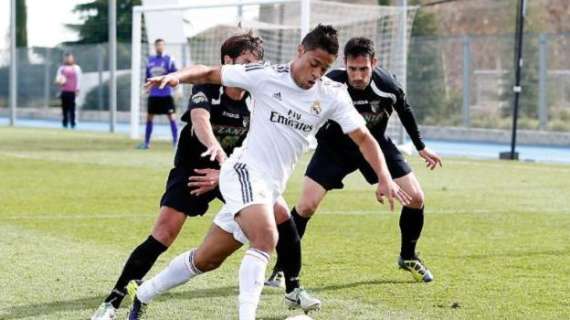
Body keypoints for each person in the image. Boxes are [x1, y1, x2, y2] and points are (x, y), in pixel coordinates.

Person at [127, 25, 410, 320]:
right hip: (243, 172)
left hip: (269, 187)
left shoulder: (332, 95)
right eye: (314, 63)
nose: (317, 73)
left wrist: (385, 177)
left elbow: (365, 138)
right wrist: (176, 77)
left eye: (324, 68)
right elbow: (210, 72)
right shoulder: (265, 74)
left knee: (206, 259)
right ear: (300, 51)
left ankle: (143, 294)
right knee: (265, 238)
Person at [90, 33, 268, 320]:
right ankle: (112, 302)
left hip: (229, 173)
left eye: (255, 65)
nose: (249, 70)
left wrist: (224, 171)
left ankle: (291, 284)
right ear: (228, 62)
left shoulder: (257, 98)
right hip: (191, 171)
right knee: (163, 233)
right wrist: (216, 150)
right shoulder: (209, 87)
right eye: (245, 63)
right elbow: (200, 121)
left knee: (276, 217)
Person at [265, 37, 442, 290]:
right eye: (352, 69)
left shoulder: (387, 85)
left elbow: (404, 109)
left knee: (416, 198)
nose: (357, 76)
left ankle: (408, 256)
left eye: (364, 69)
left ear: (374, 64)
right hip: (334, 149)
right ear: (344, 65)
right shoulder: (329, 83)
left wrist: (421, 146)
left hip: (375, 146)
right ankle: (282, 268)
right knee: (305, 206)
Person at [139, 38, 179, 149]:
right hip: (153, 95)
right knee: (149, 118)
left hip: (166, 95)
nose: (159, 47)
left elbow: (175, 76)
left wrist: (177, 90)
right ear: (155, 47)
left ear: (164, 46)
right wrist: (146, 88)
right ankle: (146, 143)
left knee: (172, 118)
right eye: (158, 45)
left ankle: (176, 143)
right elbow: (147, 78)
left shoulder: (169, 60)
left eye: (161, 45)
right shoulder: (150, 60)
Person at [55, 53, 82, 129]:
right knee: (64, 108)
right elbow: (58, 78)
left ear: (72, 59)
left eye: (69, 58)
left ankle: (73, 123)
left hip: (73, 91)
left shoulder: (76, 68)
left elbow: (79, 79)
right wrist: (59, 81)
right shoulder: (61, 68)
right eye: (67, 58)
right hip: (64, 91)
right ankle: (65, 123)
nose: (68, 59)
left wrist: (77, 89)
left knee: (72, 109)